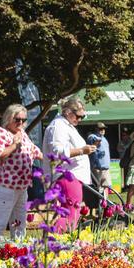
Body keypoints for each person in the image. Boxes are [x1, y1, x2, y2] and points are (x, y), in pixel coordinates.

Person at [0, 104, 42, 238]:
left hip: (21, 185)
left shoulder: (22, 133)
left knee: (19, 221)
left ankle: (18, 249)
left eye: (23, 120)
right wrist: (14, 145)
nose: (21, 123)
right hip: (5, 184)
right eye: (17, 119)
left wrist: (53, 160)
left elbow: (35, 151)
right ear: (8, 117)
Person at [43, 97, 96, 232]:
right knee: (71, 213)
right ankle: (55, 239)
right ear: (67, 112)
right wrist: (82, 151)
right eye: (78, 116)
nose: (79, 120)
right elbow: (58, 152)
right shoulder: (58, 126)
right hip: (67, 176)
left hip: (72, 177)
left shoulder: (67, 125)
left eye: (82, 117)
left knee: (73, 212)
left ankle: (60, 240)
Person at [86, 123, 112, 192]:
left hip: (106, 167)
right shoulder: (92, 137)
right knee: (97, 187)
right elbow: (91, 146)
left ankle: (105, 202)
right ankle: (98, 202)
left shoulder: (104, 138)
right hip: (97, 167)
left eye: (104, 129)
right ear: (96, 129)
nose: (103, 130)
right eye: (100, 129)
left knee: (106, 186)